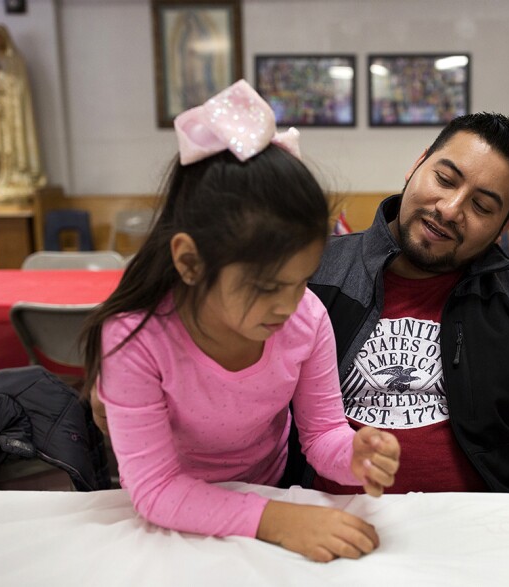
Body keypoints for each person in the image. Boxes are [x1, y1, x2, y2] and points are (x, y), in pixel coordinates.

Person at [83, 80, 400, 563]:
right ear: (190, 262)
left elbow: (321, 435)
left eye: (302, 281)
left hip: (266, 496)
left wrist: (354, 456)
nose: (288, 306)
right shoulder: (136, 338)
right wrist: (274, 520)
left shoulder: (306, 318)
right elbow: (155, 489)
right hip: (172, 522)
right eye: (266, 287)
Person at [303, 112, 509, 495]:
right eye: (444, 180)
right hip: (321, 522)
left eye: (481, 207)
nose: (449, 209)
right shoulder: (313, 272)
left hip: (476, 534)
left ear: (504, 227)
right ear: (417, 165)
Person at [0, 24, 46, 204]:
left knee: (16, 145)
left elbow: (19, 85)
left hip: (15, 112)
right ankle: (5, 175)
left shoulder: (16, 61)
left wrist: (2, 78)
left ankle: (20, 174)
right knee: (3, 147)